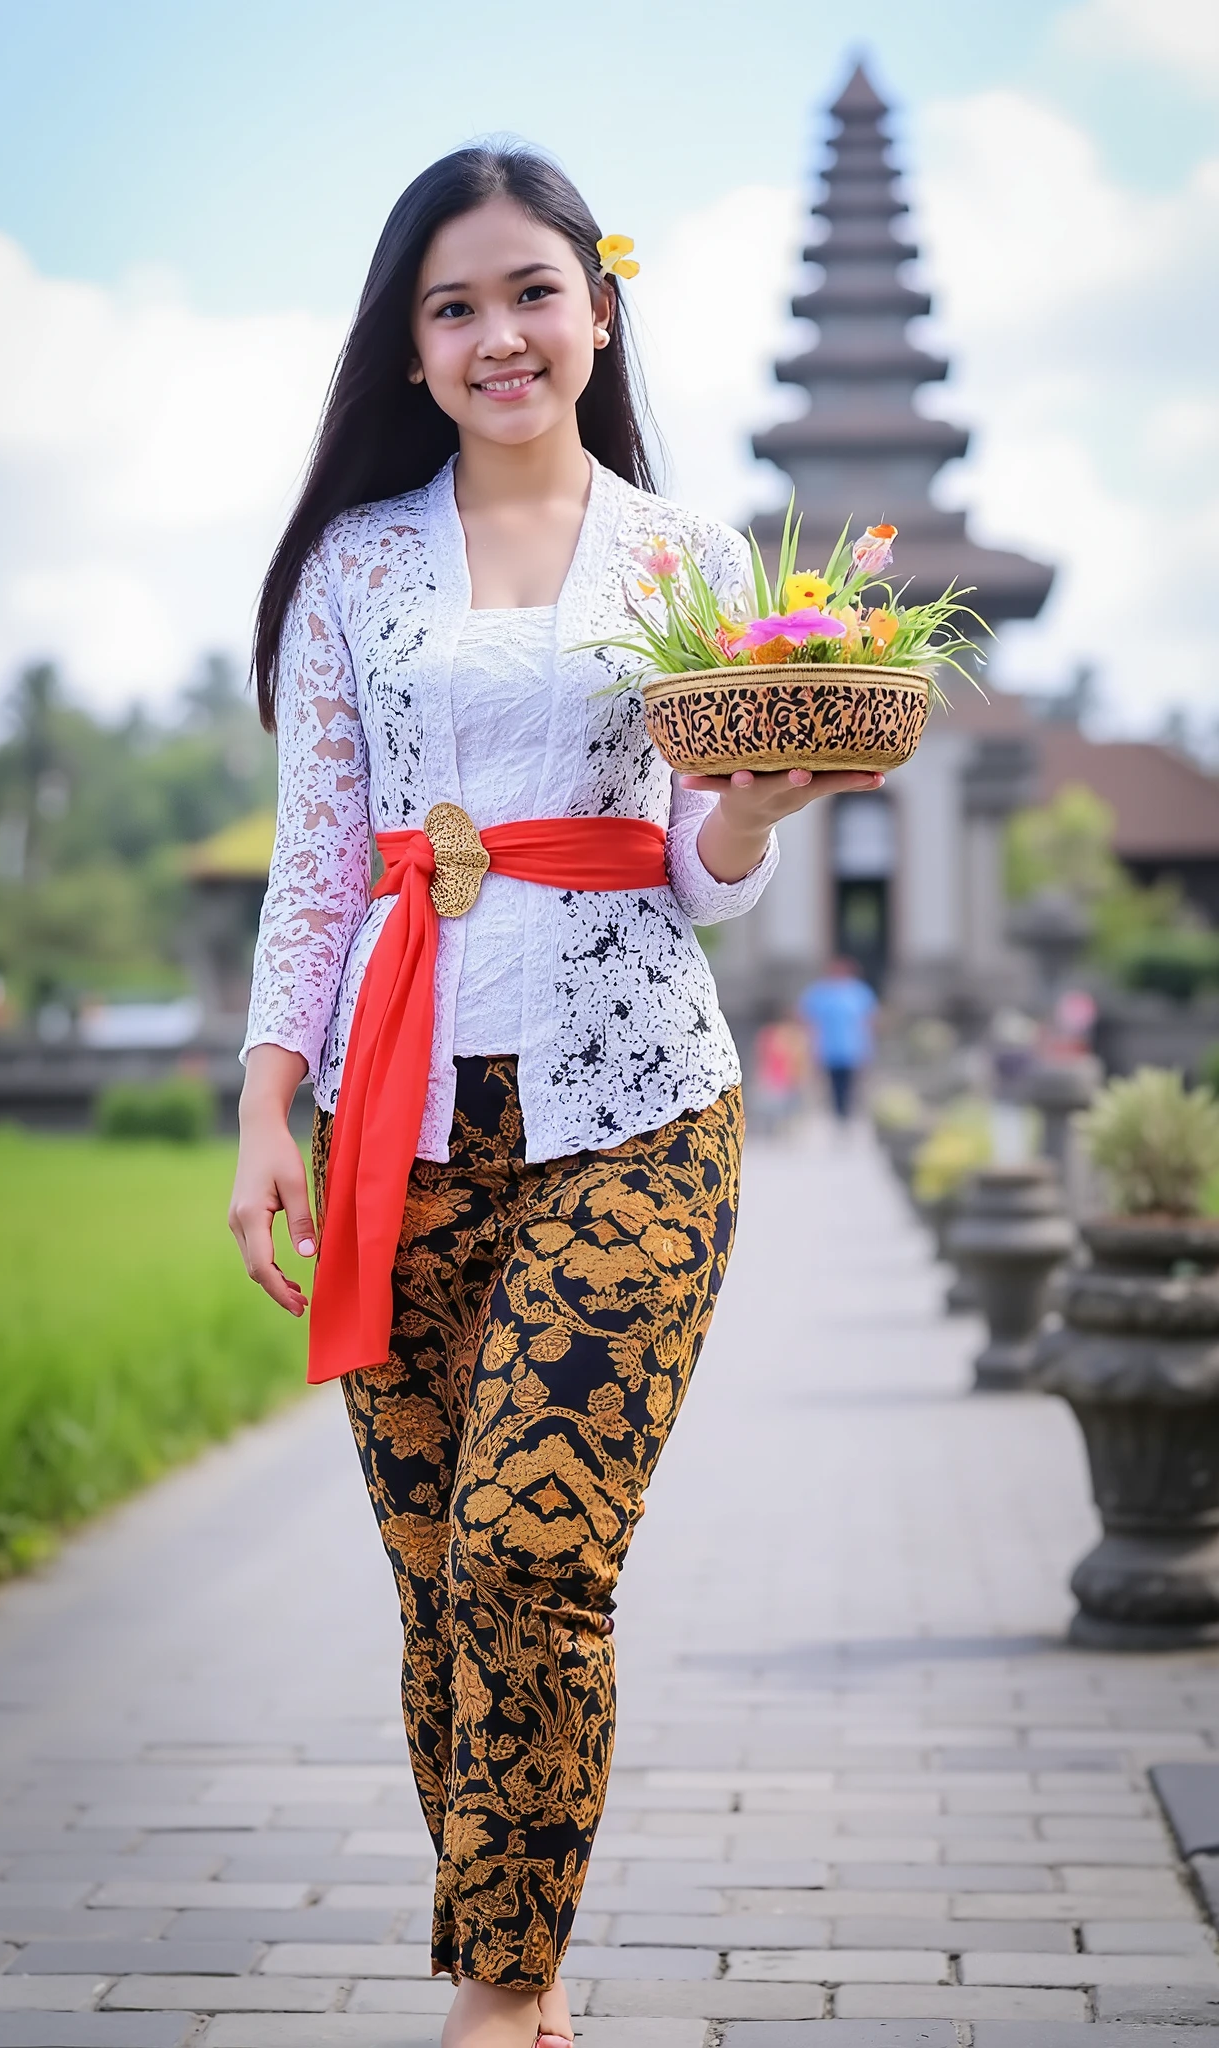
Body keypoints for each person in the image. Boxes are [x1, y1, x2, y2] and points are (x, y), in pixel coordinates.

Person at [227, 145, 883, 2048]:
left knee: (533, 1543)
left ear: (600, 308)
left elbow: (692, 862)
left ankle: (501, 2000)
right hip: (402, 1120)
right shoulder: (356, 564)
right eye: (453, 306)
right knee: (440, 1577)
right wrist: (272, 1105)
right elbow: (322, 857)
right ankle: (525, 1960)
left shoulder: (682, 559)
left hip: (636, 1105)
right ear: (413, 350)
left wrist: (749, 808)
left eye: (532, 291)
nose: (498, 333)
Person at [798, 957, 877, 1118]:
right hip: (828, 1049)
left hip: (852, 1049)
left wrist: (868, 1047)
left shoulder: (859, 992)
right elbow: (807, 1019)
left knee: (851, 1086)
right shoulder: (820, 992)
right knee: (832, 1087)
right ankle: (837, 1114)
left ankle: (847, 1114)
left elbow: (869, 1020)